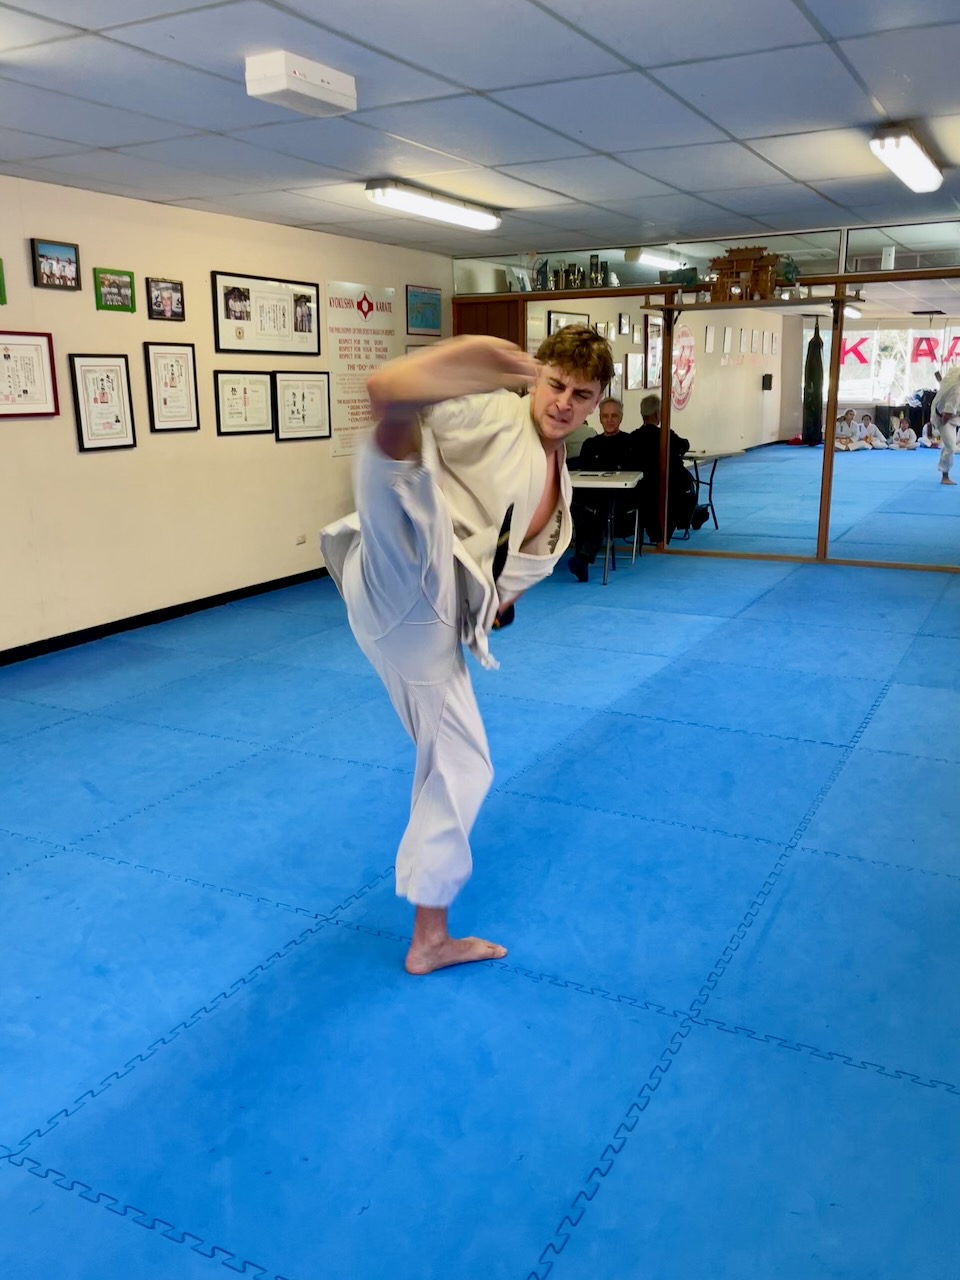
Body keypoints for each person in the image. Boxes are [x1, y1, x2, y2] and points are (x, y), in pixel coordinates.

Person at [319, 327, 611, 974]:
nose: (563, 402)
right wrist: (427, 392)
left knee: (463, 766)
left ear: (597, 402)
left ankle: (430, 939)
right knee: (411, 500)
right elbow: (442, 423)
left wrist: (497, 604)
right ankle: (395, 405)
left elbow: (510, 562)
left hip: (424, 620)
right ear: (536, 380)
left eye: (580, 395)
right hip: (412, 582)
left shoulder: (560, 481)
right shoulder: (497, 414)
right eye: (555, 385)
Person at [567, 397, 639, 581]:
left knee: (599, 510)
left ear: (621, 417)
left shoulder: (631, 443)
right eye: (605, 416)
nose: (609, 420)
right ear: (599, 418)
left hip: (619, 501)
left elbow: (634, 475)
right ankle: (582, 557)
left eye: (614, 415)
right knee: (578, 504)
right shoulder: (590, 444)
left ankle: (583, 558)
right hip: (592, 499)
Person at [632, 393, 708, 541]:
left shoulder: (633, 437)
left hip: (643, 490)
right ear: (657, 414)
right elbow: (684, 445)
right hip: (671, 487)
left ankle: (695, 514)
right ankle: (694, 515)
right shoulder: (666, 435)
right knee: (689, 483)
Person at [931, 365, 960, 485]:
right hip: (944, 418)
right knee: (950, 446)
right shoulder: (956, 391)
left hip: (954, 415)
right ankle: (945, 475)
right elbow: (945, 416)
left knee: (950, 445)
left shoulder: (955, 373)